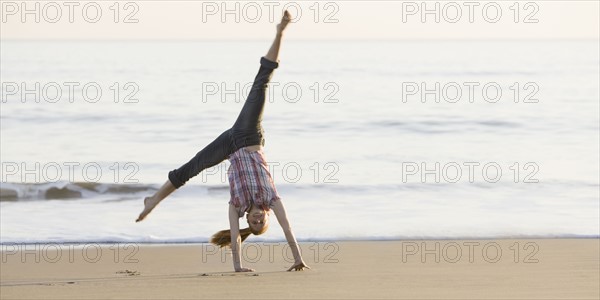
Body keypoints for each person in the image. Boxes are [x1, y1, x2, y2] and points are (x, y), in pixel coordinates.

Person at [135, 11, 309, 272]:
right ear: (267, 215)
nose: (258, 219)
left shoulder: (236, 207)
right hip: (248, 135)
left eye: (254, 223)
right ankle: (280, 32)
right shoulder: (272, 199)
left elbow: (235, 238)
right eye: (262, 221)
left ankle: (153, 201)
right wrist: (298, 258)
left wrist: (237, 266)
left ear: (247, 221)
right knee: (261, 82)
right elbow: (288, 227)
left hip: (229, 146)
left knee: (191, 167)